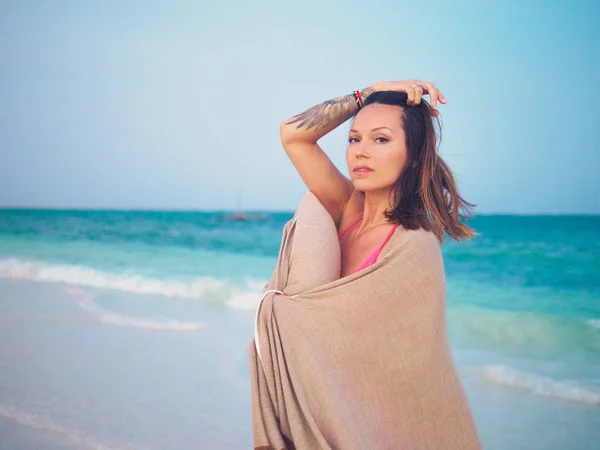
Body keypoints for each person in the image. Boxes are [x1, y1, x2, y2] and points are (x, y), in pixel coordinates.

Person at [250, 80, 481, 449]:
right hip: (318, 416)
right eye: (354, 139)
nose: (361, 152)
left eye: (381, 139)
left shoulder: (413, 246)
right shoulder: (346, 211)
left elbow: (404, 367)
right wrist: (367, 92)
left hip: (374, 429)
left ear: (414, 154)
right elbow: (292, 134)